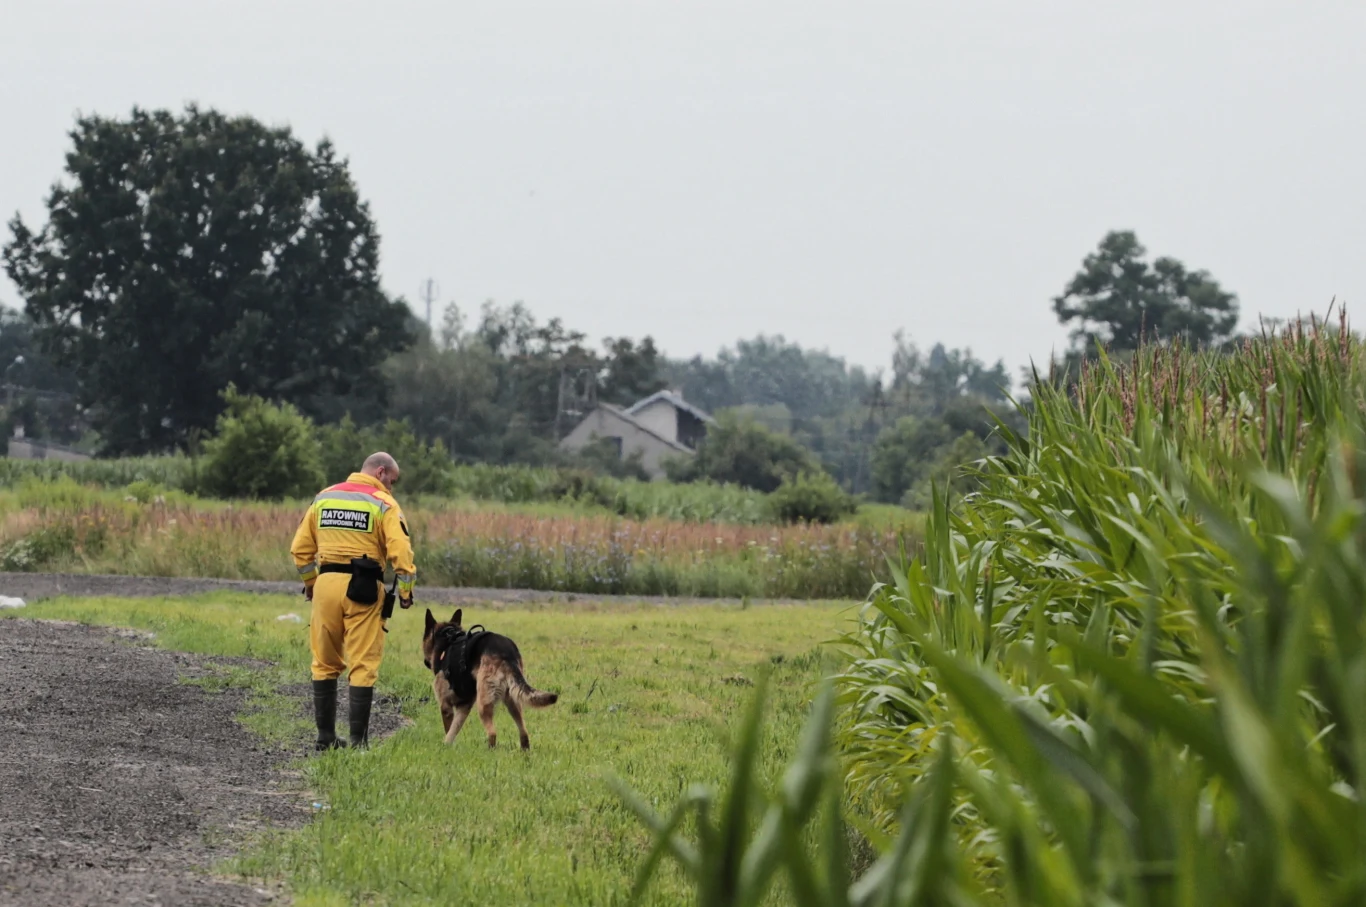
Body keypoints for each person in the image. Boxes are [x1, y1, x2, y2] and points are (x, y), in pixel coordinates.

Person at [291, 451, 416, 750]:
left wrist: (311, 584)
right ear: (381, 472)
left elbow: (300, 550)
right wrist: (406, 592)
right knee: (362, 663)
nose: (391, 487)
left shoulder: (324, 497)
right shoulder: (384, 503)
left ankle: (325, 738)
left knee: (324, 662)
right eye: (392, 481)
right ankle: (359, 744)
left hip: (325, 585)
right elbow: (401, 551)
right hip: (364, 588)